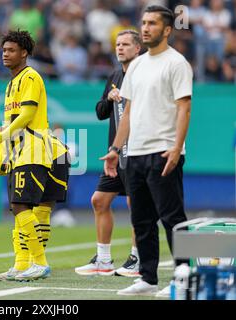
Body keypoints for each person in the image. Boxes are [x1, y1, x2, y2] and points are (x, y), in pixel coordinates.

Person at [101, 5, 192, 296]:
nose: (146, 27)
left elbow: (184, 108)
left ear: (167, 30)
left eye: (152, 23)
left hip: (164, 151)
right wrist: (116, 149)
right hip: (134, 153)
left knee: (173, 218)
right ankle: (148, 277)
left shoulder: (176, 63)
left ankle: (184, 277)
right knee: (141, 219)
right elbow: (127, 111)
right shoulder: (137, 65)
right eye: (143, 22)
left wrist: (177, 148)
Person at [0, 30, 69, 281]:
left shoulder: (30, 77)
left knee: (21, 206)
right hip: (19, 153)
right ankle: (21, 264)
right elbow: (11, 122)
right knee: (19, 207)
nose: (5, 55)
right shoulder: (11, 84)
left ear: (25, 53)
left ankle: (38, 262)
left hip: (33, 150)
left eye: (11, 50)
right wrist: (1, 143)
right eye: (4, 50)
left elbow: (27, 117)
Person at [0, 128, 70, 281]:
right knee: (23, 211)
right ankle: (24, 265)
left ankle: (34, 264)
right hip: (47, 153)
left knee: (32, 210)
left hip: (54, 154)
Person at [75, 30, 141, 278]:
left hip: (137, 151)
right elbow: (100, 112)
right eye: (118, 44)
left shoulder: (143, 75)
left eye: (126, 44)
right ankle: (103, 259)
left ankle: (137, 258)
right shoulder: (115, 75)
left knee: (136, 205)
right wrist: (112, 98)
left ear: (138, 49)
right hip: (115, 152)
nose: (120, 48)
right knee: (99, 200)